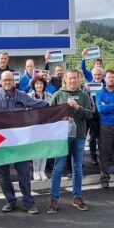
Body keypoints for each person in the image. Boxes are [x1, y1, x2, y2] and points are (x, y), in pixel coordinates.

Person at [0, 70, 48, 214]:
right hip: (1, 143)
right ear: (0, 82)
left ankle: (28, 203)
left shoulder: (22, 95)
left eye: (10, 80)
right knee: (3, 175)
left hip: (19, 143)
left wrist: (58, 105)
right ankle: (10, 201)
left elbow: (37, 104)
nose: (7, 82)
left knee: (24, 174)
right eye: (5, 80)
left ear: (14, 81)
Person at [47, 69, 94, 213]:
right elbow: (50, 116)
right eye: (70, 78)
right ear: (65, 80)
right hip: (62, 137)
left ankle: (77, 197)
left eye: (75, 78)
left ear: (79, 80)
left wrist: (77, 107)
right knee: (58, 168)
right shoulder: (58, 95)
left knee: (77, 168)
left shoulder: (84, 95)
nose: (73, 80)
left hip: (79, 136)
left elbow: (89, 115)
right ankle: (54, 199)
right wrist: (64, 119)